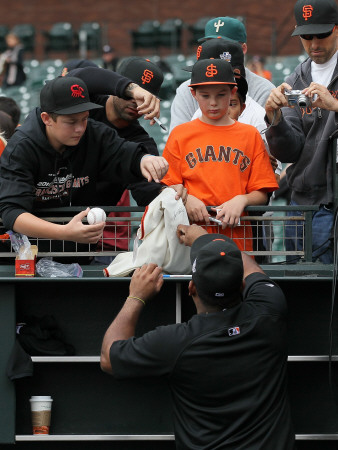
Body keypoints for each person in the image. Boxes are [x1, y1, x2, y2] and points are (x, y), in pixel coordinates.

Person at [100, 223, 296, 449]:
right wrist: (206, 238)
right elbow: (250, 266)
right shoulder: (269, 309)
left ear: (191, 288)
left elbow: (108, 357)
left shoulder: (176, 342)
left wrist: (136, 296)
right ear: (242, 286)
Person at [0, 75, 168, 246]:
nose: (80, 128)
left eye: (84, 118)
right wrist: (64, 232)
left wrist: (144, 159)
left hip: (79, 248)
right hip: (31, 251)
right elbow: (12, 213)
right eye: (71, 122)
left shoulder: (94, 133)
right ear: (47, 119)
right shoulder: (22, 147)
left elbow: (124, 153)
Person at [161, 58, 278, 252]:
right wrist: (186, 198)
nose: (213, 103)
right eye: (205, 95)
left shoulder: (250, 135)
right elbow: (167, 185)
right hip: (190, 240)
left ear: (233, 92)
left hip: (237, 239)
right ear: (193, 94)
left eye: (221, 95)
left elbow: (262, 193)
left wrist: (242, 200)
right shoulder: (180, 134)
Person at [264, 0, 338, 264]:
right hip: (303, 202)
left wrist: (335, 106)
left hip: (333, 202)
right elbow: (289, 150)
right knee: (302, 290)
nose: (314, 43)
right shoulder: (296, 78)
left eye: (322, 34)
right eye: (306, 36)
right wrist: (275, 118)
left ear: (337, 29)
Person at [169, 16, 275, 132]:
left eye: (224, 43)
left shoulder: (264, 89)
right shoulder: (186, 90)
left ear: (243, 49)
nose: (216, 48)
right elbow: (178, 138)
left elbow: (266, 139)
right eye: (211, 43)